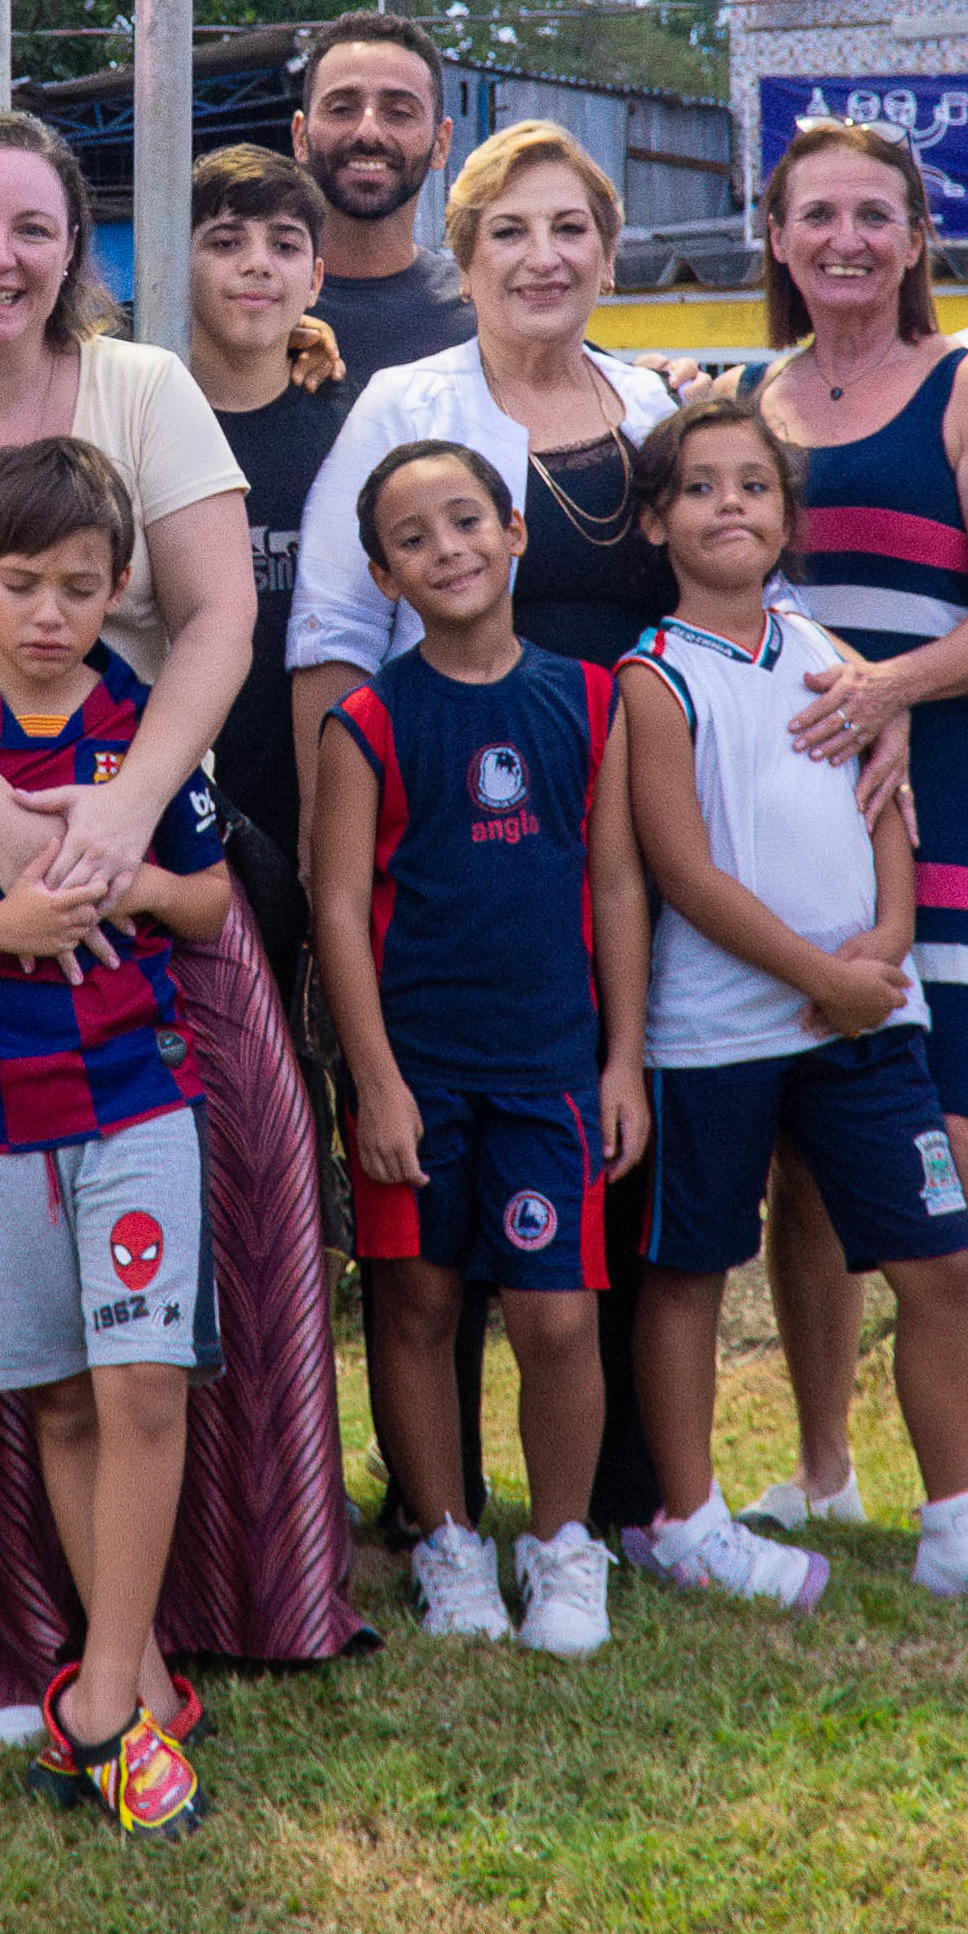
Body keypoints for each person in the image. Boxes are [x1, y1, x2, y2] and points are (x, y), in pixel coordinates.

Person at [0, 113, 354, 1733]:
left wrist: (114, 821)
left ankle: (191, 1611)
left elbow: (218, 615)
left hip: (140, 881)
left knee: (192, 1262)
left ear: (76, 249)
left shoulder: (146, 390)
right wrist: (18, 847)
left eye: (31, 228)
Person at [609, 400, 968, 1620]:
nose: (728, 505)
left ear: (789, 514)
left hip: (869, 1021)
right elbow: (681, 870)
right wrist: (816, 976)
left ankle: (961, 1521)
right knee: (687, 1271)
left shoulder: (831, 652)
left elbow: (891, 812)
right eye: (697, 488)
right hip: (716, 1036)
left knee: (940, 1260)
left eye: (753, 485)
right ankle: (686, 1520)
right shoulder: (651, 676)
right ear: (652, 521)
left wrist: (884, 951)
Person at [284, 121, 682, 1539]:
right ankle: (432, 1510)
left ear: (607, 250)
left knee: (600, 1152)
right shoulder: (403, 402)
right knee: (426, 1217)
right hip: (438, 839)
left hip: (622, 827)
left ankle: (625, 1496)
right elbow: (332, 632)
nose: (541, 256)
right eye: (508, 231)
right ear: (462, 258)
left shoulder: (649, 404)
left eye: (568, 228)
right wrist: (351, 832)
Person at [0, 434, 244, 1834]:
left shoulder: (144, 722)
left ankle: (103, 1702)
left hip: (135, 1097)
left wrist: (122, 875)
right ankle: (125, 1690)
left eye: (80, 586)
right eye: (21, 584)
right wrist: (6, 923)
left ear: (118, 584)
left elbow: (204, 902)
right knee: (63, 1401)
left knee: (141, 1386)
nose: (50, 613)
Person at [724, 119, 968, 1547]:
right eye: (815, 217)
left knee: (949, 1143)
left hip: (944, 803)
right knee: (803, 1153)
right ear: (777, 239)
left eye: (873, 214)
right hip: (785, 820)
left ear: (915, 238)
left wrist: (891, 691)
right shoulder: (741, 398)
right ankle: (817, 1466)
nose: (844, 239)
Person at [309, 440, 648, 1659]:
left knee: (556, 1321)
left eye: (466, 522)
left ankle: (563, 1549)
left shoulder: (590, 697)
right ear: (384, 576)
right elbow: (337, 909)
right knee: (415, 1305)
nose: (445, 548)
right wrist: (379, 1085)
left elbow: (614, 887)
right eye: (413, 538)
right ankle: (449, 1543)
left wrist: (621, 1063)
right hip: (420, 1079)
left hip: (549, 1070)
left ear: (515, 533)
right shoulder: (364, 722)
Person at [170, 148, 350, 1009]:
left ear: (315, 277)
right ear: (178, 261)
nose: (255, 263)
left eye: (283, 244)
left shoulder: (349, 433)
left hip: (321, 813)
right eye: (224, 239)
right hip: (174, 815)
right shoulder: (132, 421)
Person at [290, 15, 471, 383]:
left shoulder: (484, 319)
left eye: (399, 113)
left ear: (441, 144)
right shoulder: (246, 309)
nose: (368, 131)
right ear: (299, 136)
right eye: (341, 108)